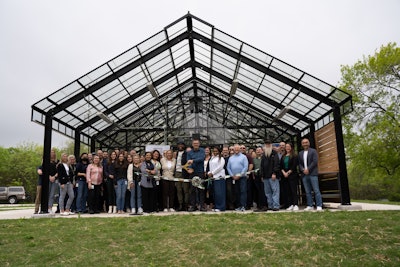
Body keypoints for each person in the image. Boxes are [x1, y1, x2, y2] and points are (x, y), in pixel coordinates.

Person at [298, 138, 322, 211]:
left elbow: (315, 162)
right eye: (303, 143)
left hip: (312, 173)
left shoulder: (313, 151)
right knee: (307, 191)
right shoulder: (300, 153)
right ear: (302, 144)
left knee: (316, 190)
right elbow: (299, 164)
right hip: (304, 174)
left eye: (306, 142)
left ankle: (319, 205)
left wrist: (308, 169)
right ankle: (310, 205)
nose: (305, 144)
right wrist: (303, 170)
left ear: (309, 143)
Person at [227, 144, 249, 212]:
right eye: (235, 149)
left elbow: (245, 167)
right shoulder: (231, 158)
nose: (236, 150)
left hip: (242, 177)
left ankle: (243, 206)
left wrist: (240, 175)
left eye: (237, 149)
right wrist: (232, 175)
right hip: (234, 177)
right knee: (237, 192)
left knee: (243, 191)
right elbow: (228, 167)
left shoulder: (243, 157)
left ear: (239, 149)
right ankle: (239, 206)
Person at [260, 140, 280, 211]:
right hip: (265, 177)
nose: (267, 145)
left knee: (275, 191)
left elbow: (276, 164)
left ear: (271, 145)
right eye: (266, 144)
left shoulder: (274, 153)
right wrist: (262, 175)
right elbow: (261, 166)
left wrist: (274, 173)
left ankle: (276, 206)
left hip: (273, 176)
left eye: (269, 144)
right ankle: (270, 205)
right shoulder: (263, 155)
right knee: (267, 192)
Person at [187, 138, 206, 212]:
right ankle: (193, 206)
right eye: (194, 144)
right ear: (192, 144)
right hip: (192, 173)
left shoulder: (202, 151)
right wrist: (189, 168)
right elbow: (188, 162)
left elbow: (201, 158)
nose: (196, 145)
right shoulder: (189, 153)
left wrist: (193, 160)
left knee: (201, 189)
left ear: (199, 144)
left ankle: (201, 206)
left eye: (197, 143)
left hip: (200, 172)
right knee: (192, 190)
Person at [280, 143, 299, 211]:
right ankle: (290, 204)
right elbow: (281, 166)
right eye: (286, 147)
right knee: (288, 191)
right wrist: (284, 173)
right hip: (284, 176)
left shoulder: (294, 156)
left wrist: (288, 173)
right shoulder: (283, 156)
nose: (287, 148)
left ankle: (295, 204)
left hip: (292, 175)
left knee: (293, 190)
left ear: (291, 147)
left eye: (288, 146)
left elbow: (294, 166)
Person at [207, 147, 226, 212]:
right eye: (214, 151)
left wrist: (212, 173)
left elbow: (220, 167)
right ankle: (216, 206)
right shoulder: (212, 158)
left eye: (216, 151)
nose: (215, 152)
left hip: (219, 177)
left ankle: (221, 207)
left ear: (219, 151)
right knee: (215, 193)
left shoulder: (221, 158)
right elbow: (210, 167)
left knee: (220, 193)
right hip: (213, 178)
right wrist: (209, 173)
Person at [174, 140, 189, 211]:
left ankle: (186, 205)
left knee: (185, 190)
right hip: (177, 172)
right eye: (179, 144)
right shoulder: (176, 154)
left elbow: (189, 163)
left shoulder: (187, 154)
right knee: (178, 190)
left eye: (181, 145)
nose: (180, 146)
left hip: (185, 173)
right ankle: (180, 204)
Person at [253, 146, 268, 212]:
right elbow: (253, 168)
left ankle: (264, 205)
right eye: (257, 150)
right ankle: (259, 205)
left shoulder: (264, 158)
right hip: (256, 177)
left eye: (259, 150)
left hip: (263, 177)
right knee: (258, 191)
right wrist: (253, 175)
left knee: (263, 191)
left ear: (262, 151)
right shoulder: (254, 159)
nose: (258, 151)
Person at [222, 146, 235, 210]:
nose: (225, 152)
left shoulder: (231, 159)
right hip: (221, 177)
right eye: (224, 150)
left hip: (229, 177)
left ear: (228, 151)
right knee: (223, 191)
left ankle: (231, 204)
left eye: (226, 150)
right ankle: (224, 205)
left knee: (229, 191)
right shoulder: (220, 159)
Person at [48, 149, 59, 214]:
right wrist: (49, 176)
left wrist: (54, 177)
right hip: (48, 179)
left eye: (53, 153)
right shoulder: (46, 160)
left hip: (55, 179)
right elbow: (44, 169)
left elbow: (59, 171)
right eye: (51, 152)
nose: (52, 154)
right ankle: (45, 207)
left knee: (52, 194)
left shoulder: (57, 162)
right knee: (47, 193)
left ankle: (50, 207)